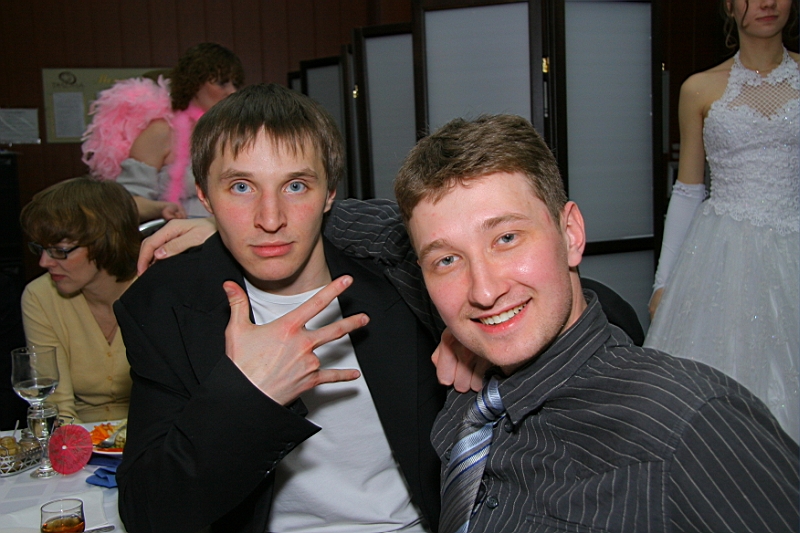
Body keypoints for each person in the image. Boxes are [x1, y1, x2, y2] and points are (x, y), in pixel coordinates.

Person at [393, 114, 797, 532]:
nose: (483, 290)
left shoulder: (688, 427)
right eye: (447, 260)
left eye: (507, 238)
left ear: (570, 234)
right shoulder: (465, 403)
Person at [114, 84, 444, 533]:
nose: (270, 219)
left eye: (295, 186)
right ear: (204, 197)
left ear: (330, 193)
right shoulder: (166, 305)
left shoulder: (406, 284)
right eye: (241, 187)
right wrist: (246, 396)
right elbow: (149, 515)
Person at [645, 0, 799, 441]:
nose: (767, 3)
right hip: (724, 255)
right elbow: (688, 190)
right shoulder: (699, 89)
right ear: (729, 6)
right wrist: (663, 281)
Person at [20, 177, 140, 423]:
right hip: (80, 433)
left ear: (105, 242)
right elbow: (55, 406)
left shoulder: (161, 291)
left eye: (60, 250)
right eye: (41, 248)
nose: (44, 262)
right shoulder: (40, 296)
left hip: (154, 433)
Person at [82, 42, 245, 222]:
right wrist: (161, 208)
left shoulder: (236, 132)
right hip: (177, 234)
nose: (232, 92)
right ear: (194, 84)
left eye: (236, 84)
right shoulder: (161, 132)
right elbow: (126, 203)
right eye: (222, 83)